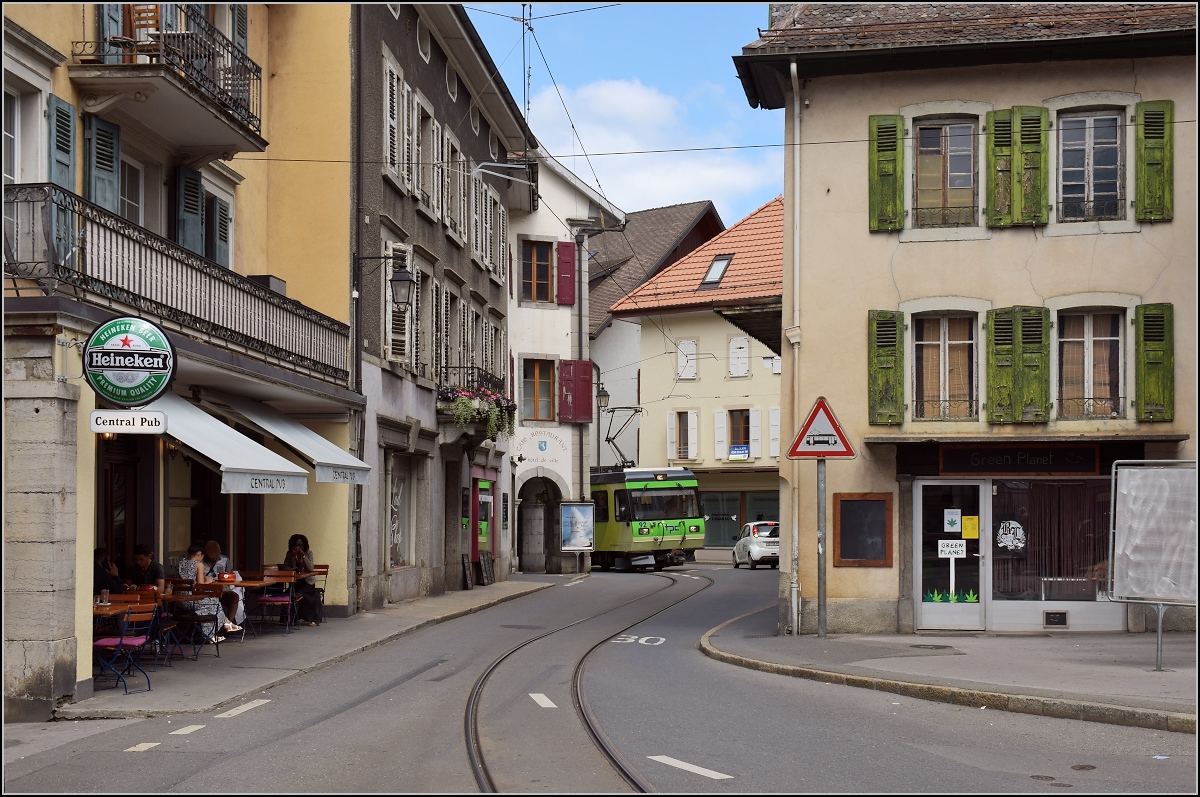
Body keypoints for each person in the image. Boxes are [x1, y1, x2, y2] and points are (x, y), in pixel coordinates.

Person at [177, 544, 241, 642]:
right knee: (214, 601)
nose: (202, 558)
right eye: (202, 556)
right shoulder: (199, 565)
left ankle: (222, 627)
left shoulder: (181, 563)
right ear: (199, 554)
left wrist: (204, 577)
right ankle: (213, 633)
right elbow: (200, 586)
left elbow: (191, 579)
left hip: (180, 601)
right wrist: (209, 581)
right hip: (192, 601)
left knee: (212, 601)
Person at [281, 534, 322, 627]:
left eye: (300, 545)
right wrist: (293, 566)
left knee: (306, 596)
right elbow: (285, 567)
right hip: (296, 581)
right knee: (289, 594)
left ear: (304, 545)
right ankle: (289, 618)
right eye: (296, 545)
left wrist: (303, 555)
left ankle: (311, 618)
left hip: (308, 581)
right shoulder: (290, 553)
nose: (298, 547)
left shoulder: (308, 553)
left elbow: (311, 568)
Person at [203, 540, 239, 624]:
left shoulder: (225, 559)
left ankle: (229, 623)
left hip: (223, 589)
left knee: (234, 597)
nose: (214, 558)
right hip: (207, 591)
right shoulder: (201, 562)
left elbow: (231, 576)